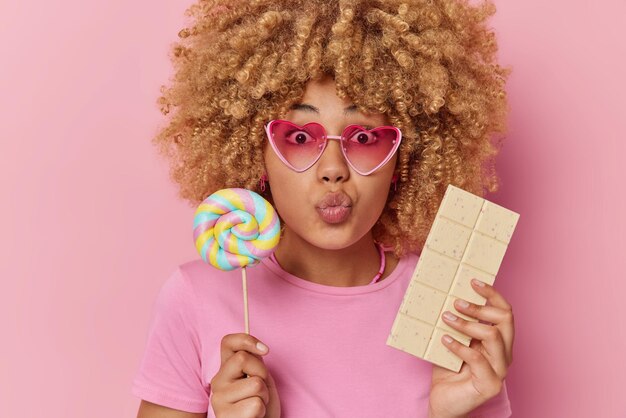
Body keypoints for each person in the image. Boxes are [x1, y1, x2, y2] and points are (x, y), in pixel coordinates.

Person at [132, 0, 515, 417]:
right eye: (299, 137)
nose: (333, 170)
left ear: (404, 161)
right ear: (254, 151)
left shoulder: (450, 313)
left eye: (365, 138)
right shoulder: (197, 297)